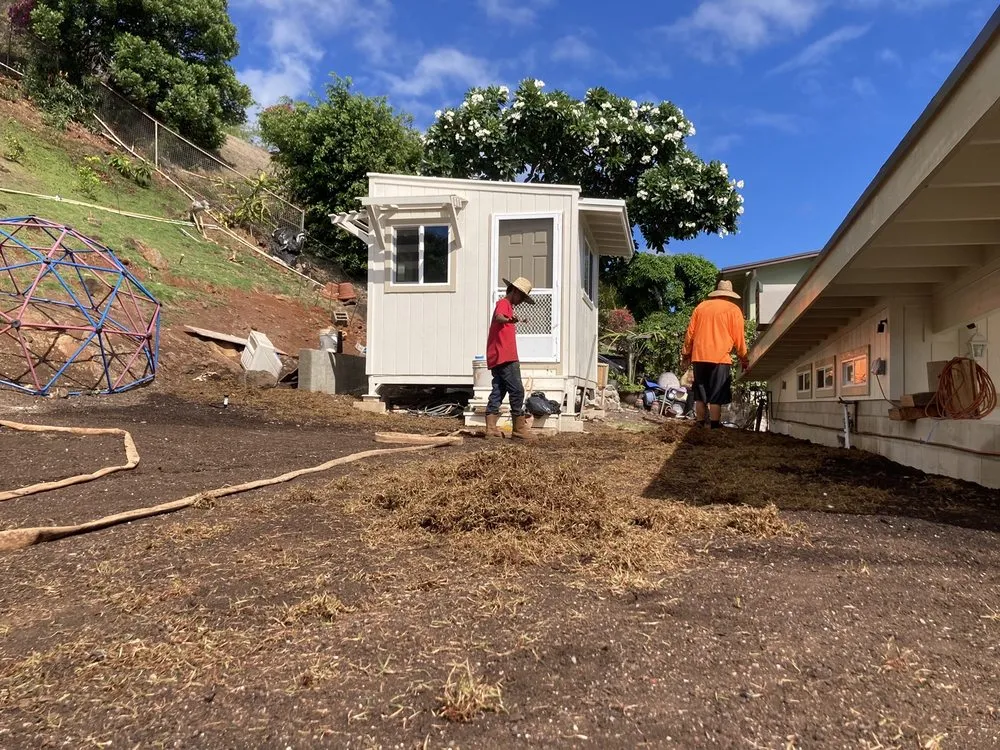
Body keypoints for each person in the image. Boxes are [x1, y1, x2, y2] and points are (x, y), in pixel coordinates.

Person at [681, 279, 749, 429]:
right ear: (730, 295)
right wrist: (744, 358)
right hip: (720, 358)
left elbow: (690, 334)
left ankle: (699, 424)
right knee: (716, 396)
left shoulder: (701, 307)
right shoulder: (733, 310)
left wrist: (686, 353)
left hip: (699, 356)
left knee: (700, 393)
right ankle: (714, 426)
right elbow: (739, 338)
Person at [485, 277, 536, 441]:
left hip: (497, 355)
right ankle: (519, 429)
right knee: (517, 390)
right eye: (521, 297)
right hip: (506, 356)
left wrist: (515, 319)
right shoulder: (504, 303)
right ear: (515, 291)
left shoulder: (508, 307)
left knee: (499, 389)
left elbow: (503, 320)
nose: (521, 301)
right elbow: (499, 317)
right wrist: (508, 319)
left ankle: (491, 428)